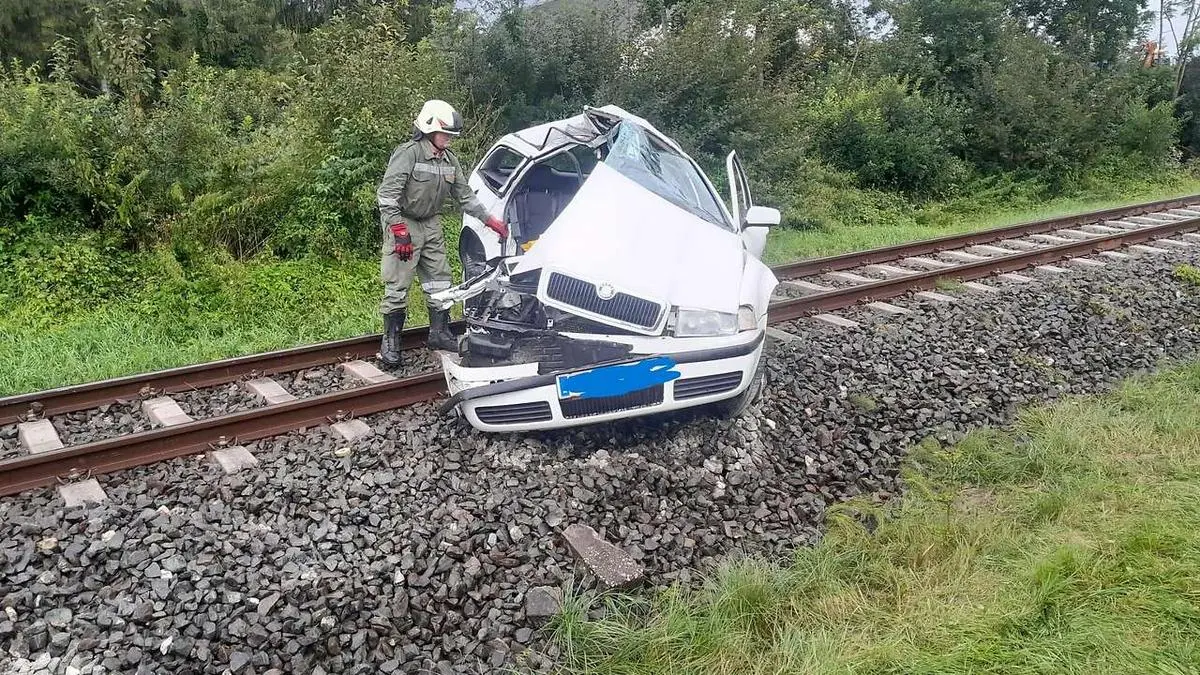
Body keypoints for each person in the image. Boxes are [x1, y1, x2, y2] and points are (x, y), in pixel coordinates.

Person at [375, 100, 508, 369]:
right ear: (428, 129)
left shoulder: (449, 160)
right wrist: (398, 231)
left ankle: (440, 333)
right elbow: (387, 196)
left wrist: (490, 220)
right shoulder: (408, 154)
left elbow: (465, 196)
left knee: (440, 282)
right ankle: (390, 343)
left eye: (451, 135)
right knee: (397, 286)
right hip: (405, 222)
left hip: (432, 225)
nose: (448, 139)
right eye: (445, 133)